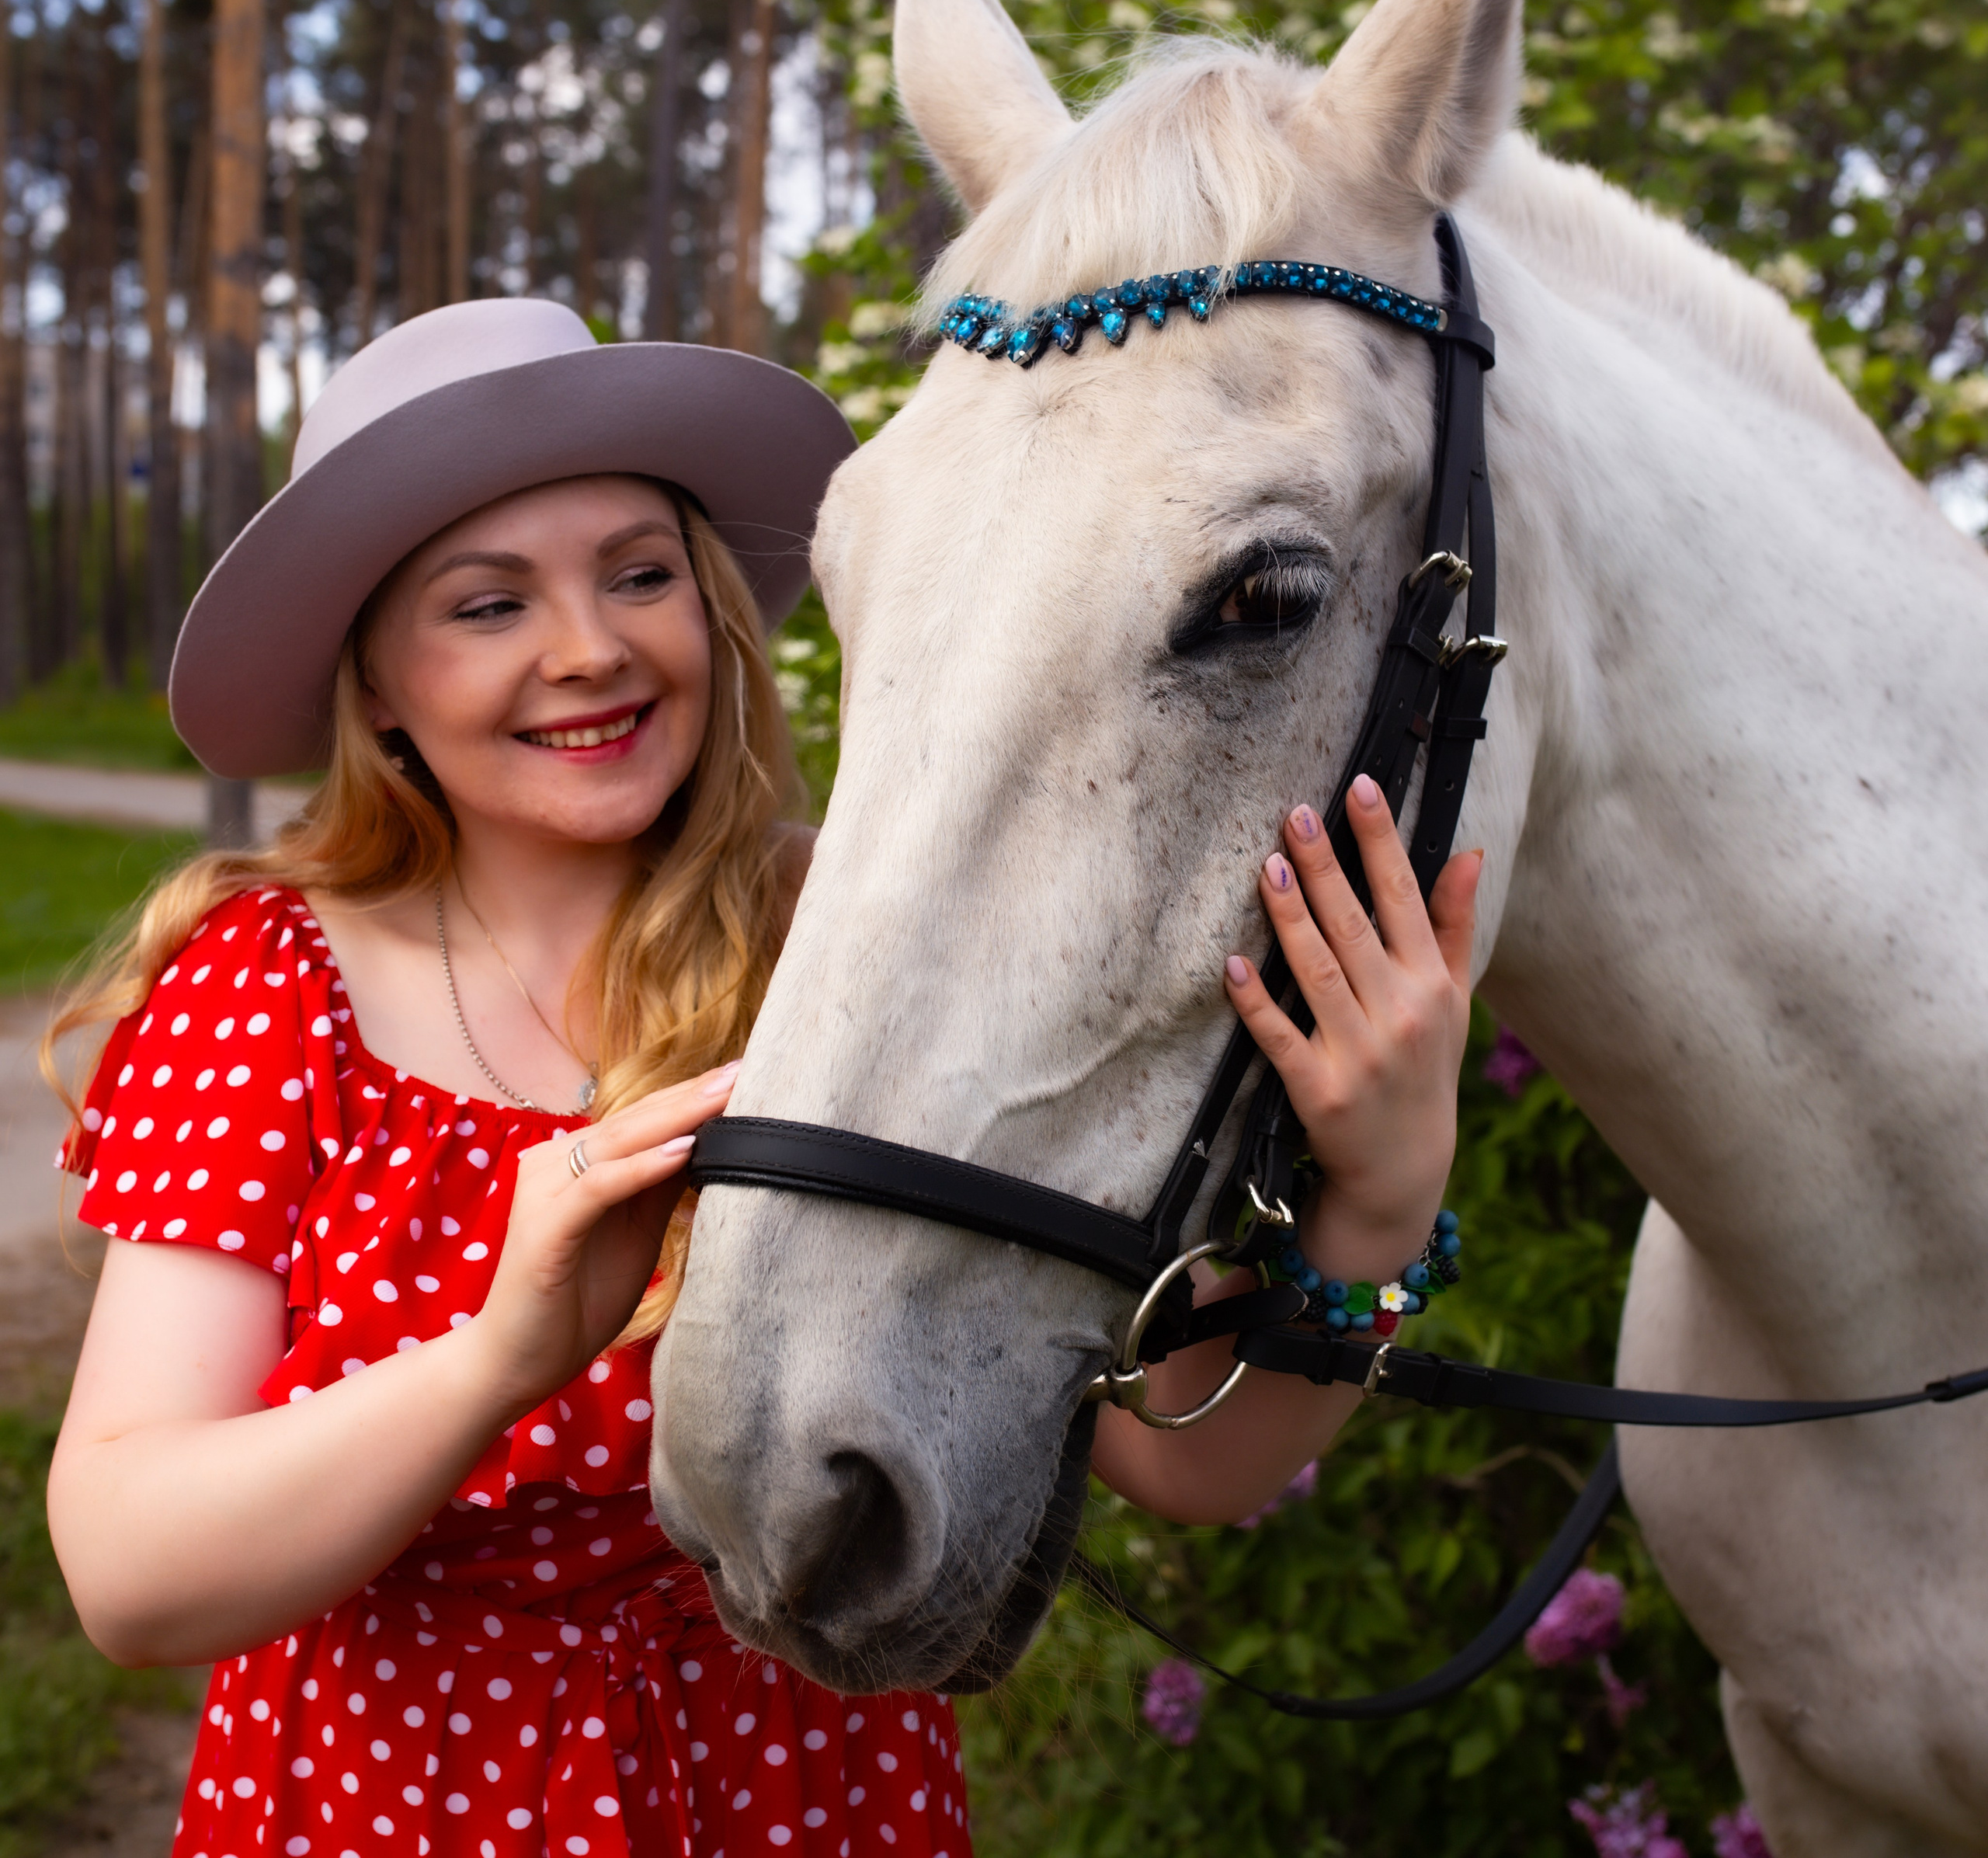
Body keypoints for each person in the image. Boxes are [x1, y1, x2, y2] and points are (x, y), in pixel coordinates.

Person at [43, 297, 1477, 1858]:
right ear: (376, 684)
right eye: (485, 603)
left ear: (711, 604)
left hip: (801, 1799)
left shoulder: (852, 939)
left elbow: (1179, 1458)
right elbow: (129, 1573)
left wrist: (1380, 1219)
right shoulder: (271, 983)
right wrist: (489, 1359)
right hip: (396, 1794)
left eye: (639, 574)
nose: (588, 645)